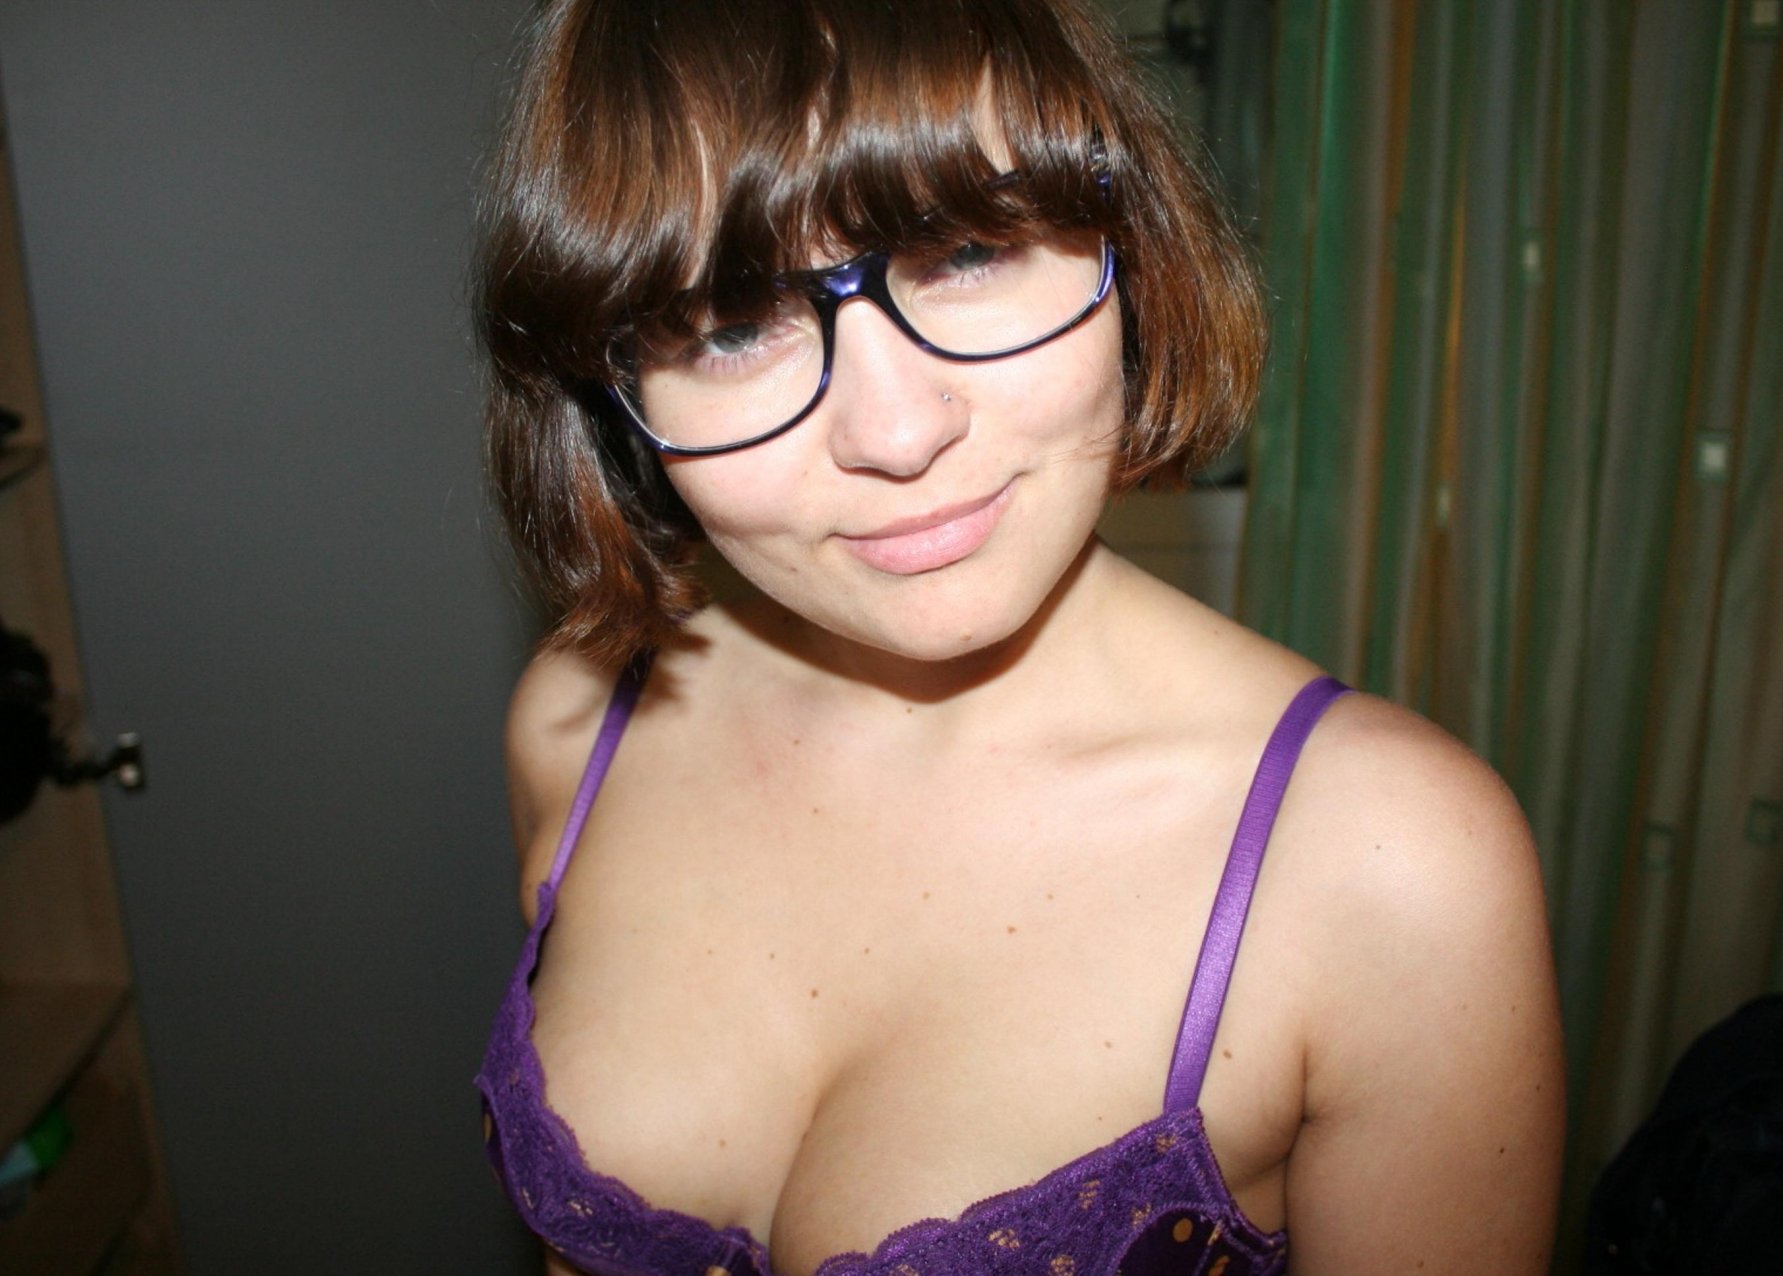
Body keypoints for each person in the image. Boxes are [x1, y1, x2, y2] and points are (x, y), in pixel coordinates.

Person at [472, 2, 1564, 1274]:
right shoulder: (580, 721)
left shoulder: (1390, 869)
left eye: (966, 251)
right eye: (730, 324)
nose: (896, 433)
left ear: (1131, 237)